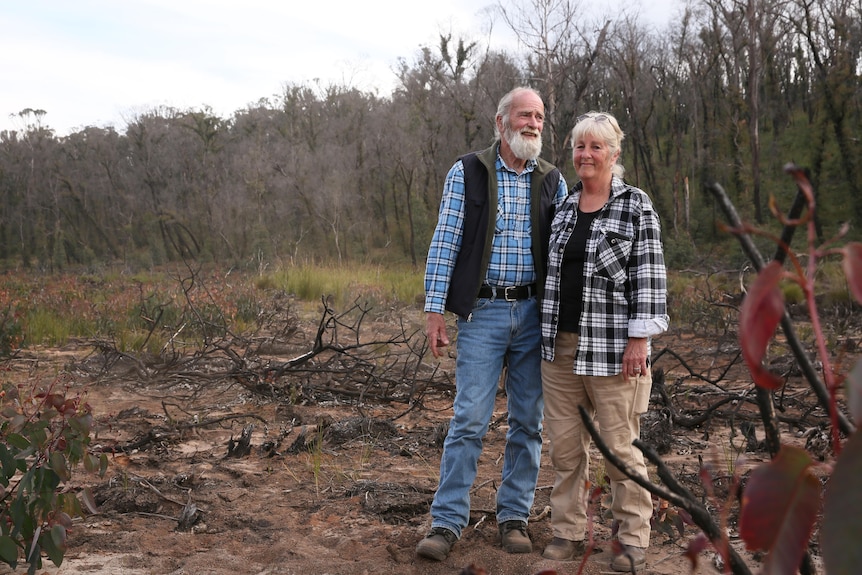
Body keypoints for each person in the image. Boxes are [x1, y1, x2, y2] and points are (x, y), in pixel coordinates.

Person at [416, 86, 569, 562]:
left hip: (533, 314)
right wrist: (434, 308)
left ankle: (514, 518)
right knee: (468, 420)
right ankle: (446, 522)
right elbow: (445, 238)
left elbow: (565, 251)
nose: (534, 123)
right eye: (525, 115)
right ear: (500, 122)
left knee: (528, 421)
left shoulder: (552, 180)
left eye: (540, 116)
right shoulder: (468, 172)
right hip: (481, 314)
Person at [539, 111, 669, 572]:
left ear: (615, 153)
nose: (586, 155)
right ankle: (567, 531)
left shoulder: (636, 205)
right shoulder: (563, 208)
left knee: (620, 448)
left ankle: (633, 536)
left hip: (614, 350)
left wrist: (639, 341)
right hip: (561, 350)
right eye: (579, 146)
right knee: (565, 448)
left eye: (596, 147)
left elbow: (649, 276)